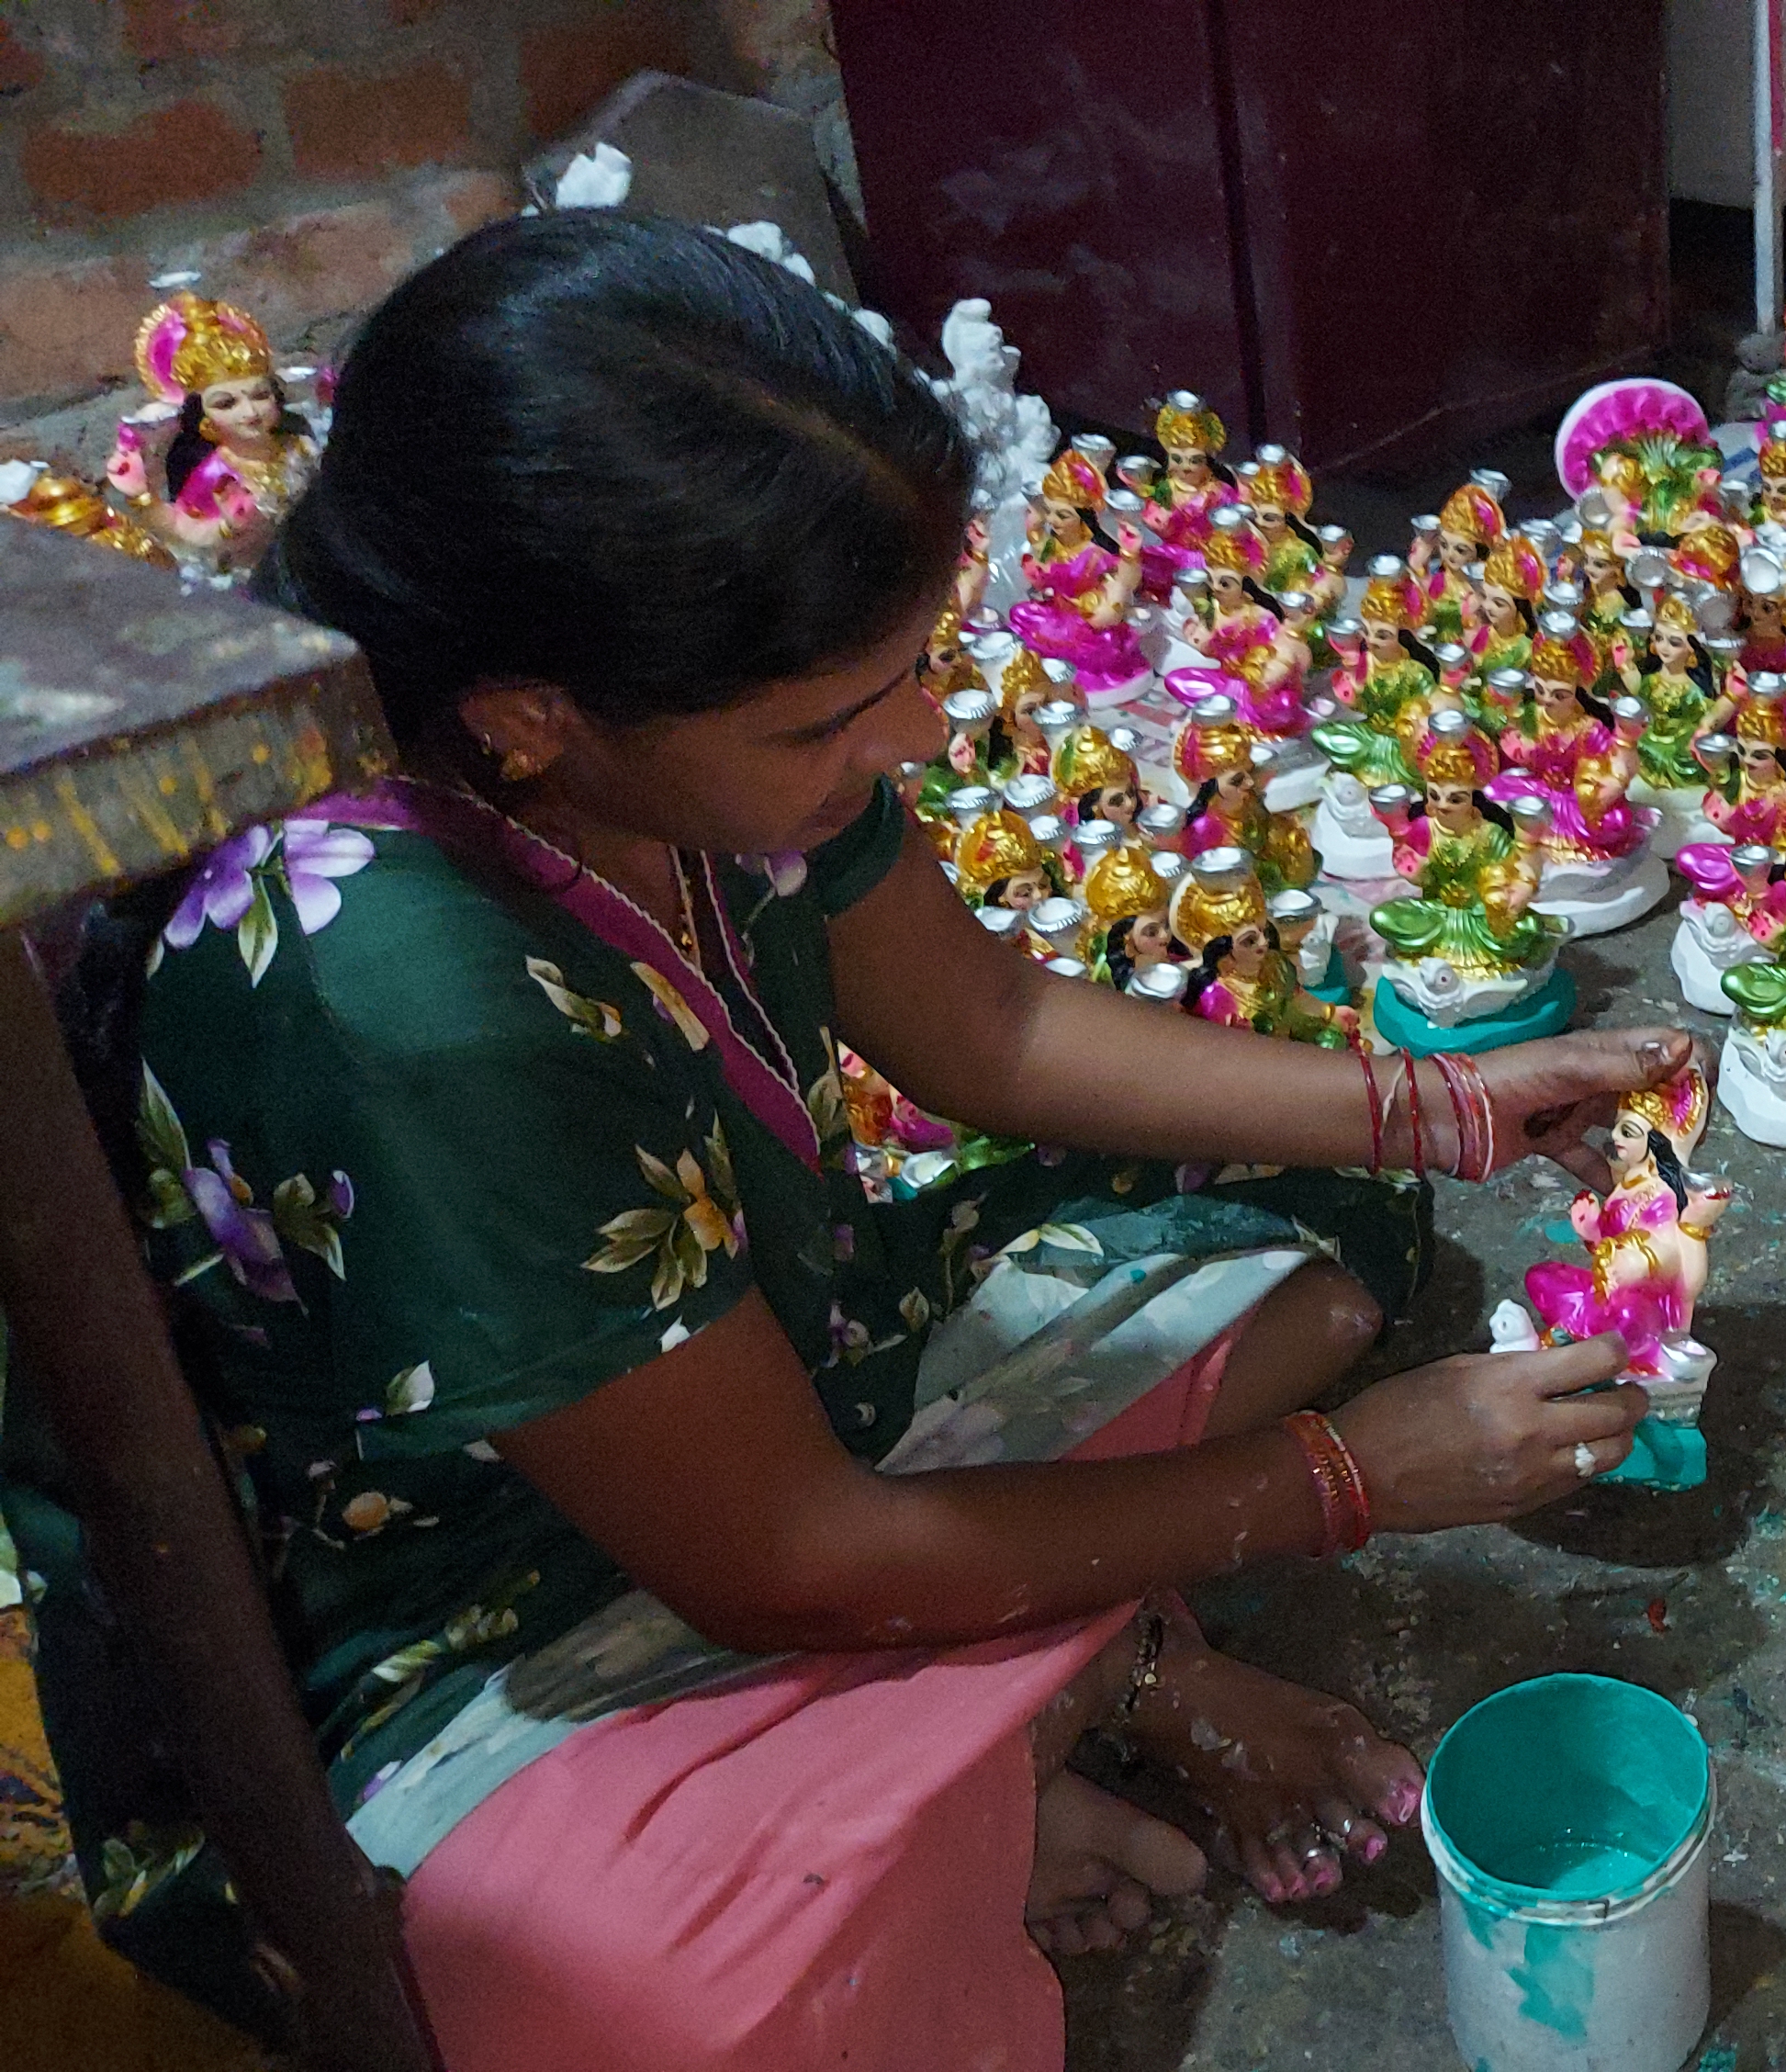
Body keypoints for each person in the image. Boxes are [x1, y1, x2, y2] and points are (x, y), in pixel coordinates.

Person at [30, 209, 1695, 2072]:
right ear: (524, 719)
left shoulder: (658, 744)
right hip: (469, 1624)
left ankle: (1021, 1729)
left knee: (1323, 1222)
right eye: (834, 713)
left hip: (769, 1378)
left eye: (905, 668)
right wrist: (1346, 1483)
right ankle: (1079, 1698)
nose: (911, 734)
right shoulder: (402, 987)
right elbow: (787, 1560)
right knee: (671, 1992)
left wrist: (1437, 1109)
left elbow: (987, 1026)